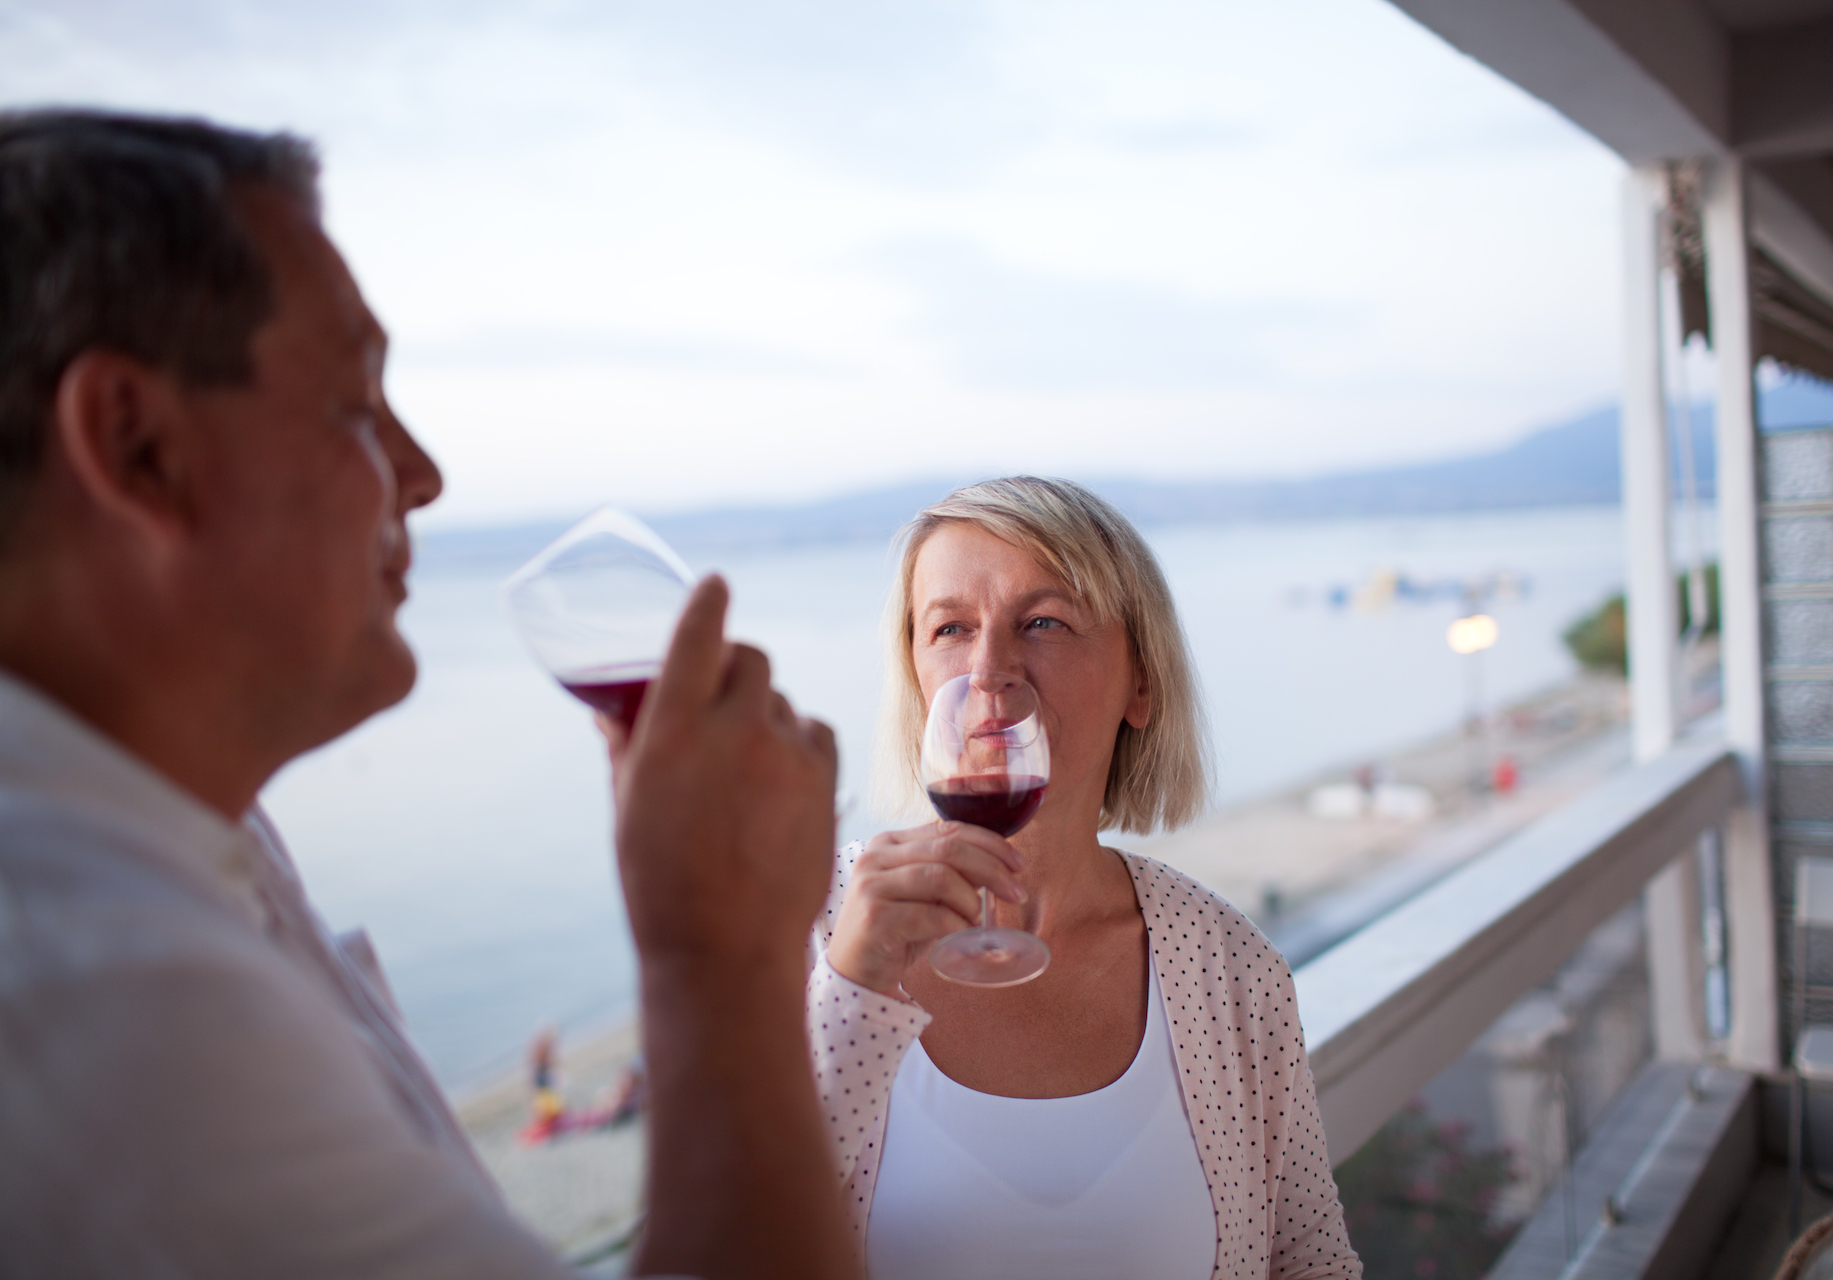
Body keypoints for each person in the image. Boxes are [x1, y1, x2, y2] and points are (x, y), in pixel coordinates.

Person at [0, 109, 854, 1280]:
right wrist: (721, 958)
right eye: (356, 402)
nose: (424, 474)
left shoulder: (180, 835)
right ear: (138, 445)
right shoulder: (104, 998)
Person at [809, 477, 1361, 1279]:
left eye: (1044, 622)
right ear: (917, 675)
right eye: (951, 628)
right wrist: (852, 987)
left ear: (1142, 682)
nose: (991, 668)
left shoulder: (1230, 970)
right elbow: (729, 1242)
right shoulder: (812, 930)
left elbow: (1309, 1262)